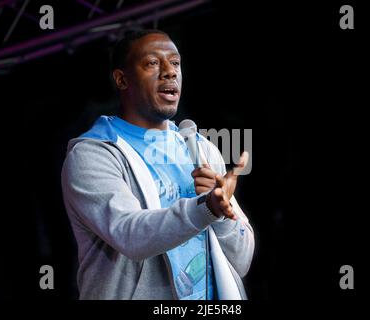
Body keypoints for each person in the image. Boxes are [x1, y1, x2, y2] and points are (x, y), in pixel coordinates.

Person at [61, 29, 254, 300]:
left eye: (175, 63)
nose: (169, 72)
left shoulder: (202, 149)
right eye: (153, 63)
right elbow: (130, 235)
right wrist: (207, 208)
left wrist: (222, 216)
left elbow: (242, 259)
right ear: (121, 79)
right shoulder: (94, 155)